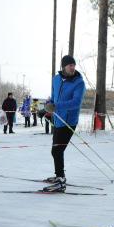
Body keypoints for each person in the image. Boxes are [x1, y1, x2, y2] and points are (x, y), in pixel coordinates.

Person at [42, 55, 86, 192]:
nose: (72, 67)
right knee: (56, 150)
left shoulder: (79, 83)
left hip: (69, 122)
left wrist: (56, 106)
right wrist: (49, 106)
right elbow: (53, 97)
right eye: (70, 65)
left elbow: (76, 103)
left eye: (74, 65)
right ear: (63, 67)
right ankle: (58, 176)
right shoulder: (55, 79)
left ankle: (61, 180)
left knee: (57, 150)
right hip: (57, 120)